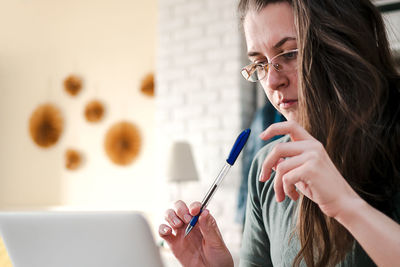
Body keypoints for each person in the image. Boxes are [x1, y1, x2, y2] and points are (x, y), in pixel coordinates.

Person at [159, 0, 400, 266]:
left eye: (289, 53)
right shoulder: (266, 168)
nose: (273, 81)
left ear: (341, 43)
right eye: (260, 64)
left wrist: (346, 205)